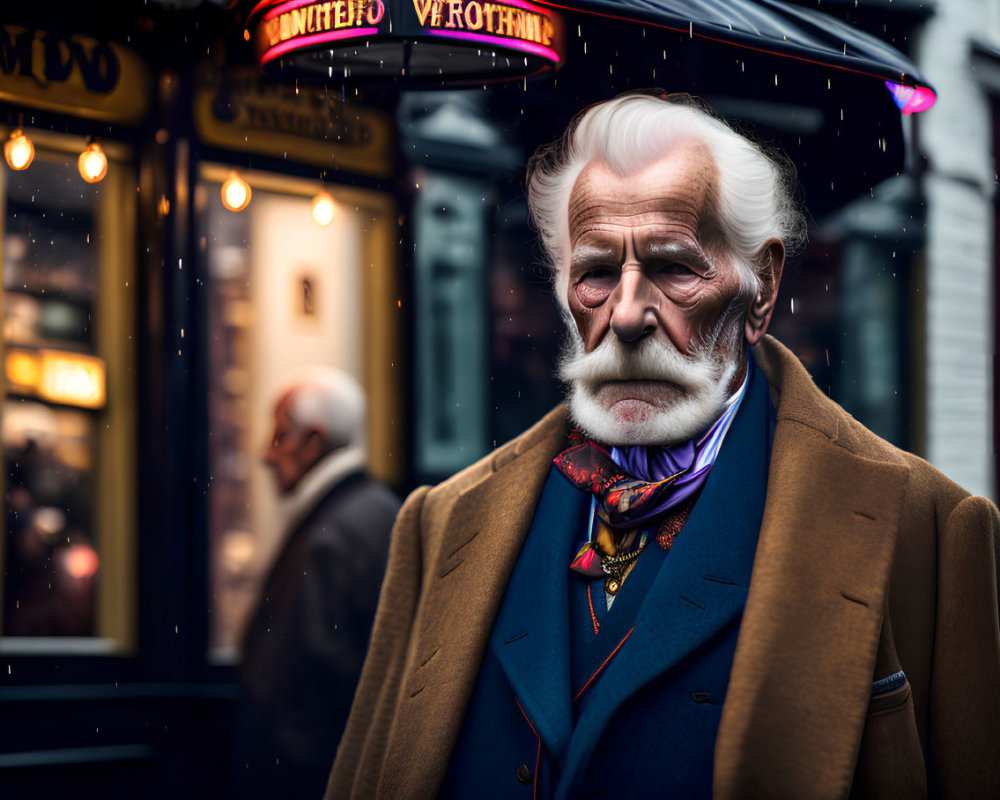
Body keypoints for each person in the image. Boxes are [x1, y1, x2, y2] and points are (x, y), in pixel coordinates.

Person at [327, 92, 1000, 799]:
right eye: (593, 274)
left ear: (762, 288)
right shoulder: (441, 524)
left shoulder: (929, 531)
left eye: (675, 267)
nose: (625, 315)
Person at [234, 367, 400, 800]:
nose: (267, 454)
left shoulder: (330, 537)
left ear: (313, 440)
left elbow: (296, 698)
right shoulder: (380, 514)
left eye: (279, 435)